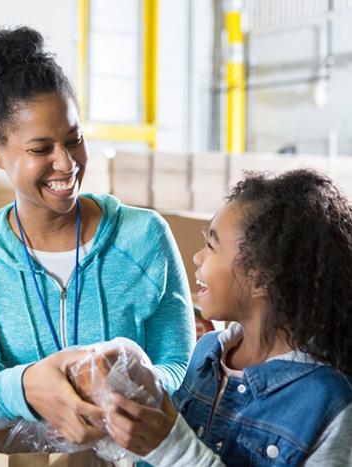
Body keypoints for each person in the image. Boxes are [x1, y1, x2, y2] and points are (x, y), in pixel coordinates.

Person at [0, 26, 195, 444]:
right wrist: (32, 386)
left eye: (74, 139)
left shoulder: (143, 236)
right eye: (40, 150)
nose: (66, 164)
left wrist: (130, 391)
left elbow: (180, 362)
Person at [104, 169, 352, 465]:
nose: (198, 257)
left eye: (211, 246)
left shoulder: (329, 401)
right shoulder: (206, 353)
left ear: (263, 279)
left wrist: (173, 449)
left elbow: (173, 451)